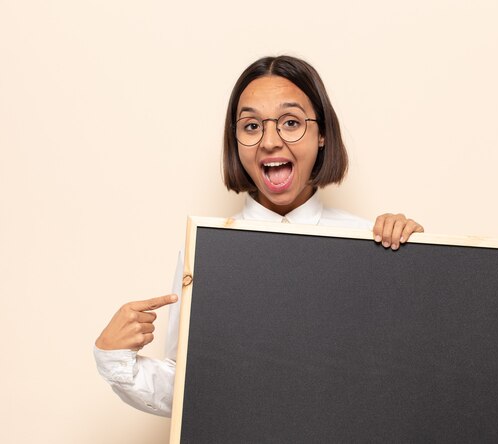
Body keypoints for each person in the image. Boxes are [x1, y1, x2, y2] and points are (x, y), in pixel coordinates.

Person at [94, 55, 424, 417]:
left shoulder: (369, 243)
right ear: (235, 140)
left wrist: (422, 262)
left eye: (291, 122)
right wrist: (114, 358)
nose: (270, 141)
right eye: (251, 126)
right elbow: (192, 386)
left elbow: (404, 379)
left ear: (323, 133)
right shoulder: (208, 253)